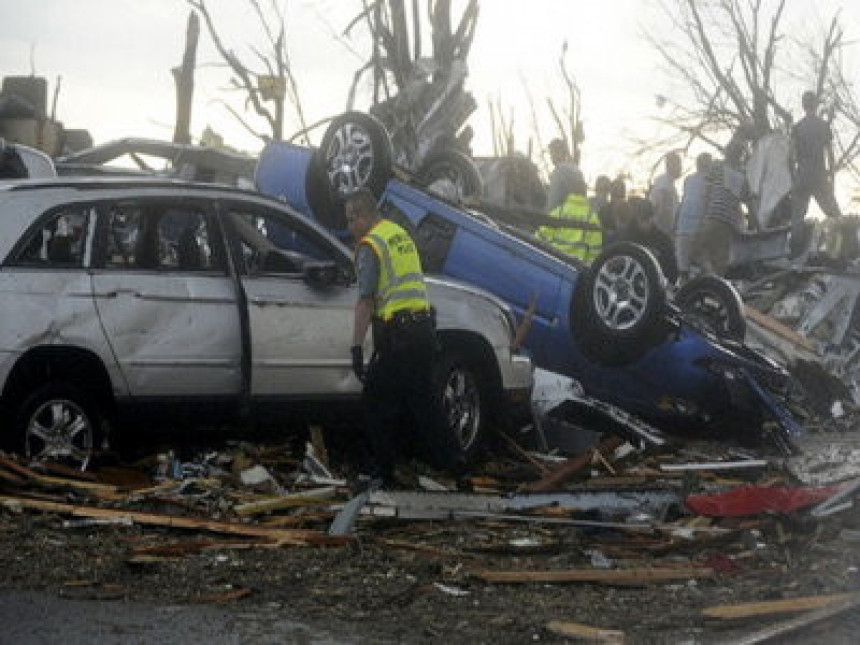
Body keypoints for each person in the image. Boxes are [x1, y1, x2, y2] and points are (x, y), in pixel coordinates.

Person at [346, 188, 461, 486]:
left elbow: (366, 300)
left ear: (362, 216)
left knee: (375, 400)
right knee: (425, 404)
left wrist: (357, 348)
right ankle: (458, 466)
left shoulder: (371, 245)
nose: (349, 228)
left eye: (350, 220)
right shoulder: (399, 234)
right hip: (423, 331)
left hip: (400, 336)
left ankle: (382, 474)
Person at [691, 139, 755, 277]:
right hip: (730, 222)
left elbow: (707, 191)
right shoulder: (743, 175)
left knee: (697, 248)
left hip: (714, 215)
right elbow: (749, 201)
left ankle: (709, 272)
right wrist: (758, 226)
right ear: (741, 156)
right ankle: (716, 284)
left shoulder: (717, 166)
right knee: (721, 258)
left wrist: (702, 215)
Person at [789, 90, 842, 258]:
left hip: (802, 175)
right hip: (819, 176)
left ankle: (795, 254)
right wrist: (831, 178)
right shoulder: (823, 126)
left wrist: (794, 177)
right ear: (815, 104)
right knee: (835, 214)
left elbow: (790, 157)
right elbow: (830, 155)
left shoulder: (797, 128)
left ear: (803, 106)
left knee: (797, 218)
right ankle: (846, 249)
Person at [537, 174, 603, 263]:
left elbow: (540, 238)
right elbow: (595, 251)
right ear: (585, 194)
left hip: (553, 263)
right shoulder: (592, 218)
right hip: (576, 269)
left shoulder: (558, 212)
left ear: (570, 192)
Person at [615, 195, 678, 284]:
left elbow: (672, 271)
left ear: (653, 218)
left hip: (655, 284)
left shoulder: (663, 240)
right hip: (629, 283)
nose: (646, 222)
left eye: (649, 218)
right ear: (636, 218)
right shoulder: (625, 237)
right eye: (643, 219)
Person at [675, 152, 712, 281]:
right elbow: (708, 207)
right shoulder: (710, 183)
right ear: (709, 166)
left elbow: (683, 202)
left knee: (683, 270)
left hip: (682, 229)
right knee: (705, 268)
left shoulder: (688, 180)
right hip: (698, 230)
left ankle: (682, 295)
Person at [545, 138, 585, 213]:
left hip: (561, 217)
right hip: (578, 214)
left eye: (554, 152)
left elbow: (553, 202)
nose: (552, 156)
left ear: (562, 152)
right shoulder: (577, 170)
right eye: (551, 153)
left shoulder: (560, 171)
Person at [649, 151, 682, 238]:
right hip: (661, 233)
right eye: (679, 165)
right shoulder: (664, 181)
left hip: (665, 232)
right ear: (671, 166)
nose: (681, 168)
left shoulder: (668, 183)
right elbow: (661, 205)